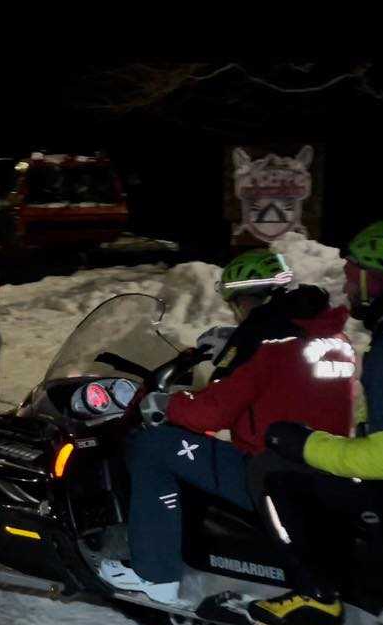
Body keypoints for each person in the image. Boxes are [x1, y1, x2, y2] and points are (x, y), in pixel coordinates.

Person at [99, 249, 356, 604]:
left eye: (236, 304)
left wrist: (167, 403)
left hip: (269, 474)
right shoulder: (332, 337)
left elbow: (212, 413)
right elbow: (286, 385)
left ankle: (156, 574)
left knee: (152, 447)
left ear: (246, 299)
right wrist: (234, 345)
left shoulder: (264, 341)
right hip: (323, 468)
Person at [243, 220, 383, 625]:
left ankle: (316, 596)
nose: (346, 283)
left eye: (352, 272)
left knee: (270, 467)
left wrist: (303, 443)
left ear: (378, 275)